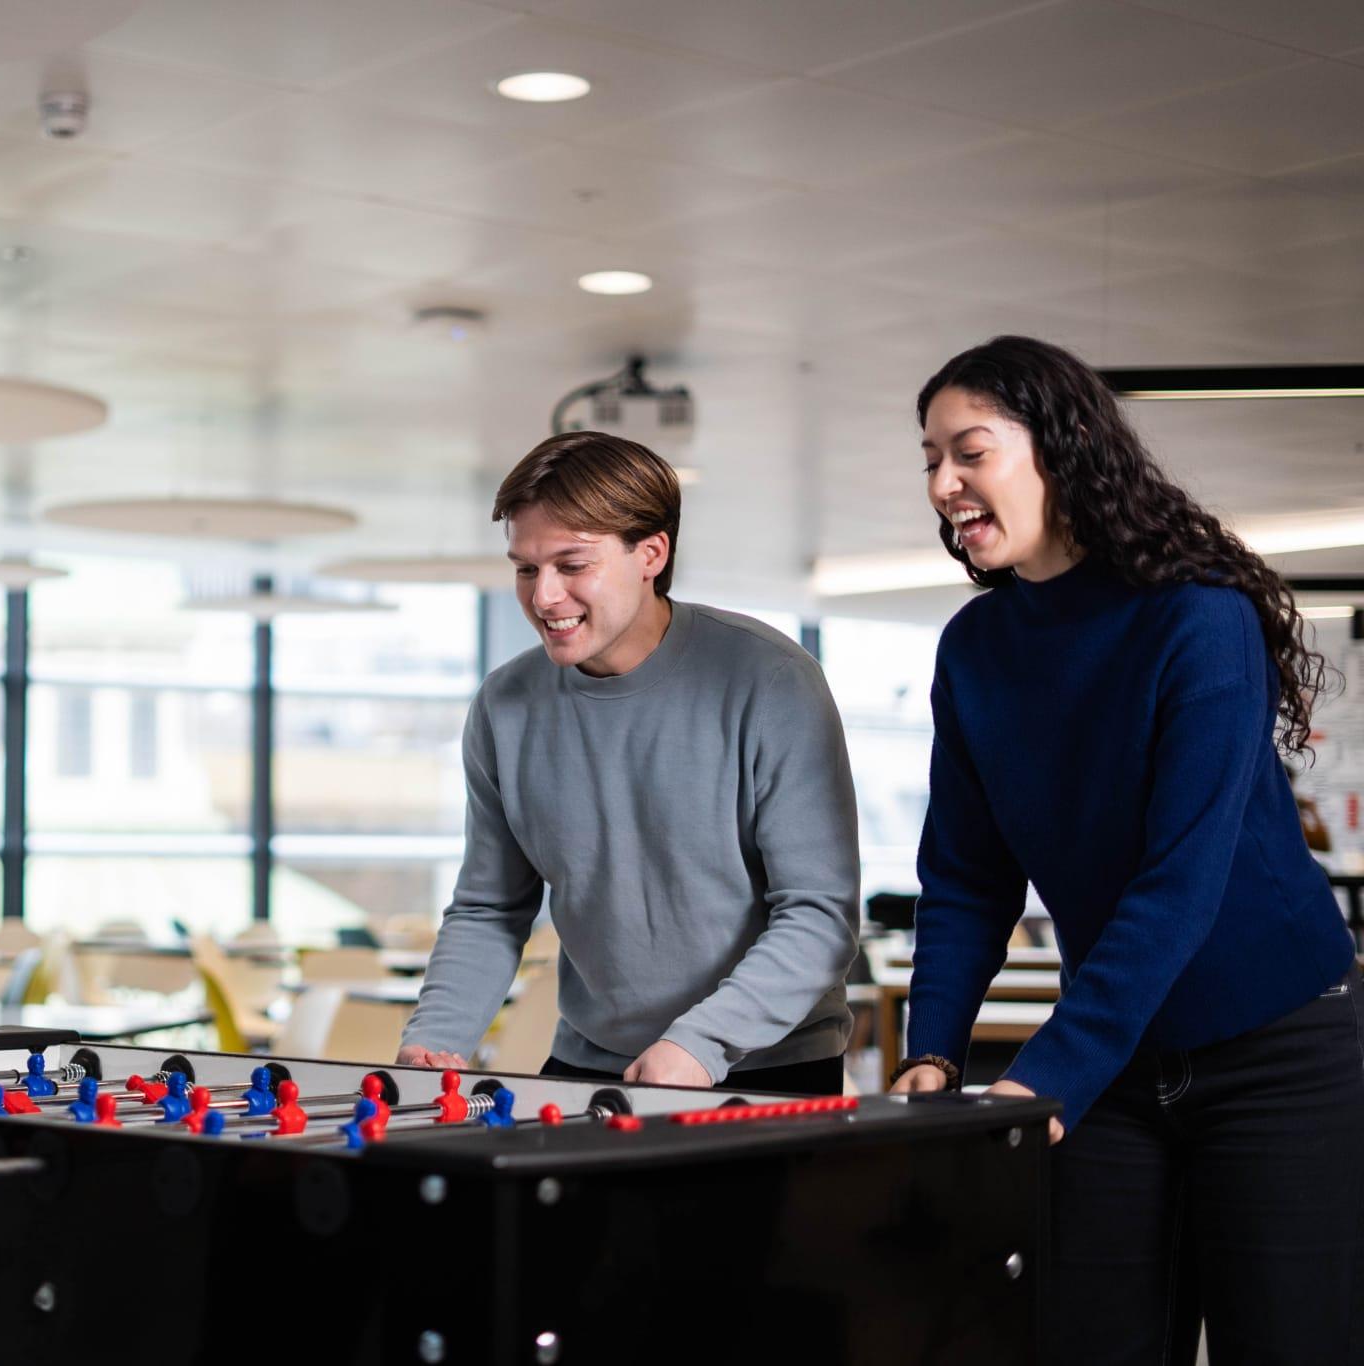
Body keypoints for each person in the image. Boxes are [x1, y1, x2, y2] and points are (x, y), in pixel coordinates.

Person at [890, 335, 1361, 1363]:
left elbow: (1177, 882)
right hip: (1117, 1059)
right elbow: (965, 879)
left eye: (968, 451)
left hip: (1275, 1053)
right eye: (928, 458)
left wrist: (1047, 1070)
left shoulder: (1195, 616)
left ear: (1059, 447)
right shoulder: (974, 649)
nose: (941, 484)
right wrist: (931, 1050)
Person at [397, 432, 860, 1093]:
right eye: (526, 569)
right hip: (591, 1061)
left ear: (651, 553)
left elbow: (819, 914)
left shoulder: (772, 680)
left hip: (765, 1067)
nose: (544, 597)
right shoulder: (506, 705)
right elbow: (490, 908)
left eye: (571, 565)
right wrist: (435, 1038)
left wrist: (701, 1044)